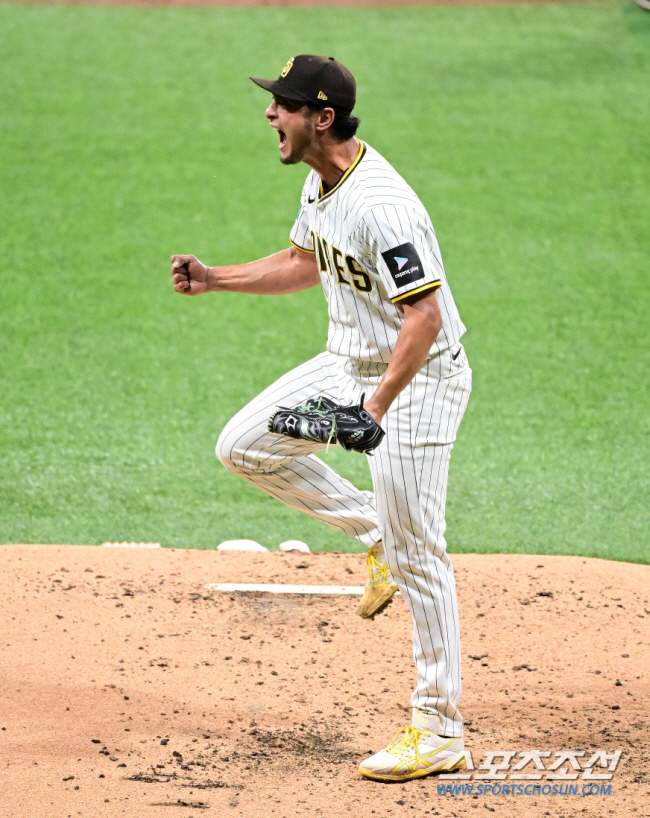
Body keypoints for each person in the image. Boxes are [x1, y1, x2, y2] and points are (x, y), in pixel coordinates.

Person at [170, 54, 471, 782]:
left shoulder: (382, 205)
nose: (271, 114)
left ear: (322, 117)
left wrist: (373, 408)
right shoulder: (322, 180)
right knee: (243, 446)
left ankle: (439, 729)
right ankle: (376, 536)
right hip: (349, 361)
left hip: (418, 377)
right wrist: (219, 279)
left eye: (283, 104)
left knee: (422, 552)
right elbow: (306, 262)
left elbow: (424, 317)